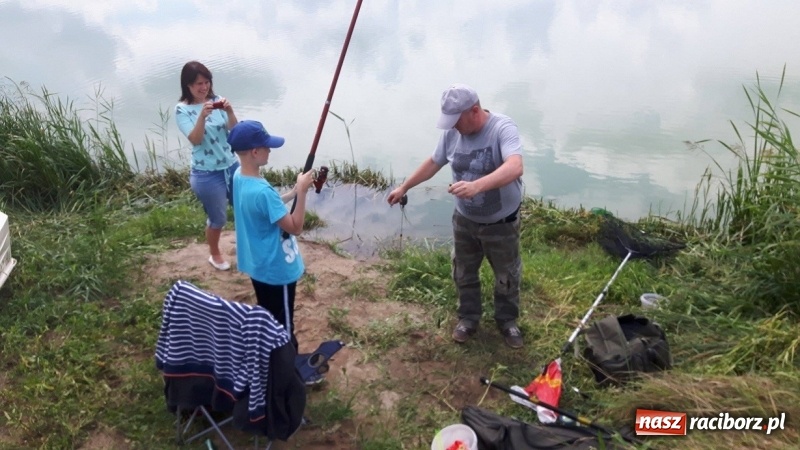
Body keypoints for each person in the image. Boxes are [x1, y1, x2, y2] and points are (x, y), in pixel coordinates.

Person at [387, 83, 525, 348]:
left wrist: (477, 186)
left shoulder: (502, 128)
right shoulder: (452, 133)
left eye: (456, 121)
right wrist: (405, 186)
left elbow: (515, 166)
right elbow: (434, 161)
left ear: (474, 111)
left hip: (501, 223)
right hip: (465, 221)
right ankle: (468, 318)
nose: (453, 127)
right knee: (463, 272)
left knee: (507, 275)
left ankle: (507, 322)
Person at [228, 120, 314, 352]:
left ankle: (267, 360)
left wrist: (293, 192)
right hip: (277, 271)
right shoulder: (263, 191)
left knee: (269, 319)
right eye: (267, 147)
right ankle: (287, 375)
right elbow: (295, 226)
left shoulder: (239, 176)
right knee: (284, 329)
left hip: (258, 266)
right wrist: (303, 192)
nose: (270, 150)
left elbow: (268, 207)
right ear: (255, 152)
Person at [175, 60, 239, 271]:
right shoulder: (182, 110)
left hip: (231, 166)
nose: (204, 88)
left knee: (242, 208)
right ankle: (215, 254)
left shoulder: (217, 101)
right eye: (198, 84)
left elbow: (235, 132)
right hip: (206, 173)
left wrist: (229, 111)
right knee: (218, 218)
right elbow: (195, 139)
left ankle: (245, 245)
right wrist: (202, 116)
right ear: (188, 86)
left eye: (206, 82)